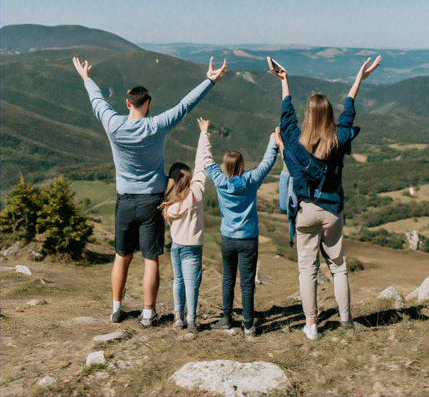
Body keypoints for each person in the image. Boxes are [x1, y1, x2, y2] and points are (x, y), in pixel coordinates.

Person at [73, 56, 227, 326]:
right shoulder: (156, 125)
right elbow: (185, 105)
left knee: (122, 256)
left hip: (124, 200)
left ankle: (117, 308)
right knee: (150, 259)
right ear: (149, 105)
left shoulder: (113, 124)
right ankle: (147, 313)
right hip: (152, 203)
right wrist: (209, 80)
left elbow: (97, 101)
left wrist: (86, 78)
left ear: (127, 103)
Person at [271, 56, 381, 339]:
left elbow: (286, 116)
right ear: (329, 115)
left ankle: (311, 325)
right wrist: (358, 79)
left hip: (306, 211)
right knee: (338, 267)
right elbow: (349, 113)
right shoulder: (338, 138)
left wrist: (284, 81)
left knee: (307, 270)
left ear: (308, 116)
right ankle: (346, 321)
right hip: (332, 210)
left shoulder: (296, 139)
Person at [206, 133, 279, 336]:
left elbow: (206, 159)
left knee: (228, 279)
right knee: (247, 283)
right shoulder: (252, 179)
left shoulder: (220, 180)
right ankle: (248, 325)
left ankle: (227, 318)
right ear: (241, 165)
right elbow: (267, 161)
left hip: (228, 239)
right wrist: (273, 138)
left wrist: (204, 133)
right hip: (248, 239)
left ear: (225, 166)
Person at [160, 117, 211, 334]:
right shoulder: (196, 193)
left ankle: (177, 317)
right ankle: (191, 321)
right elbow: (202, 162)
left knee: (178, 281)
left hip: (176, 246)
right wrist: (204, 134)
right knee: (192, 284)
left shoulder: (169, 206)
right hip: (192, 247)